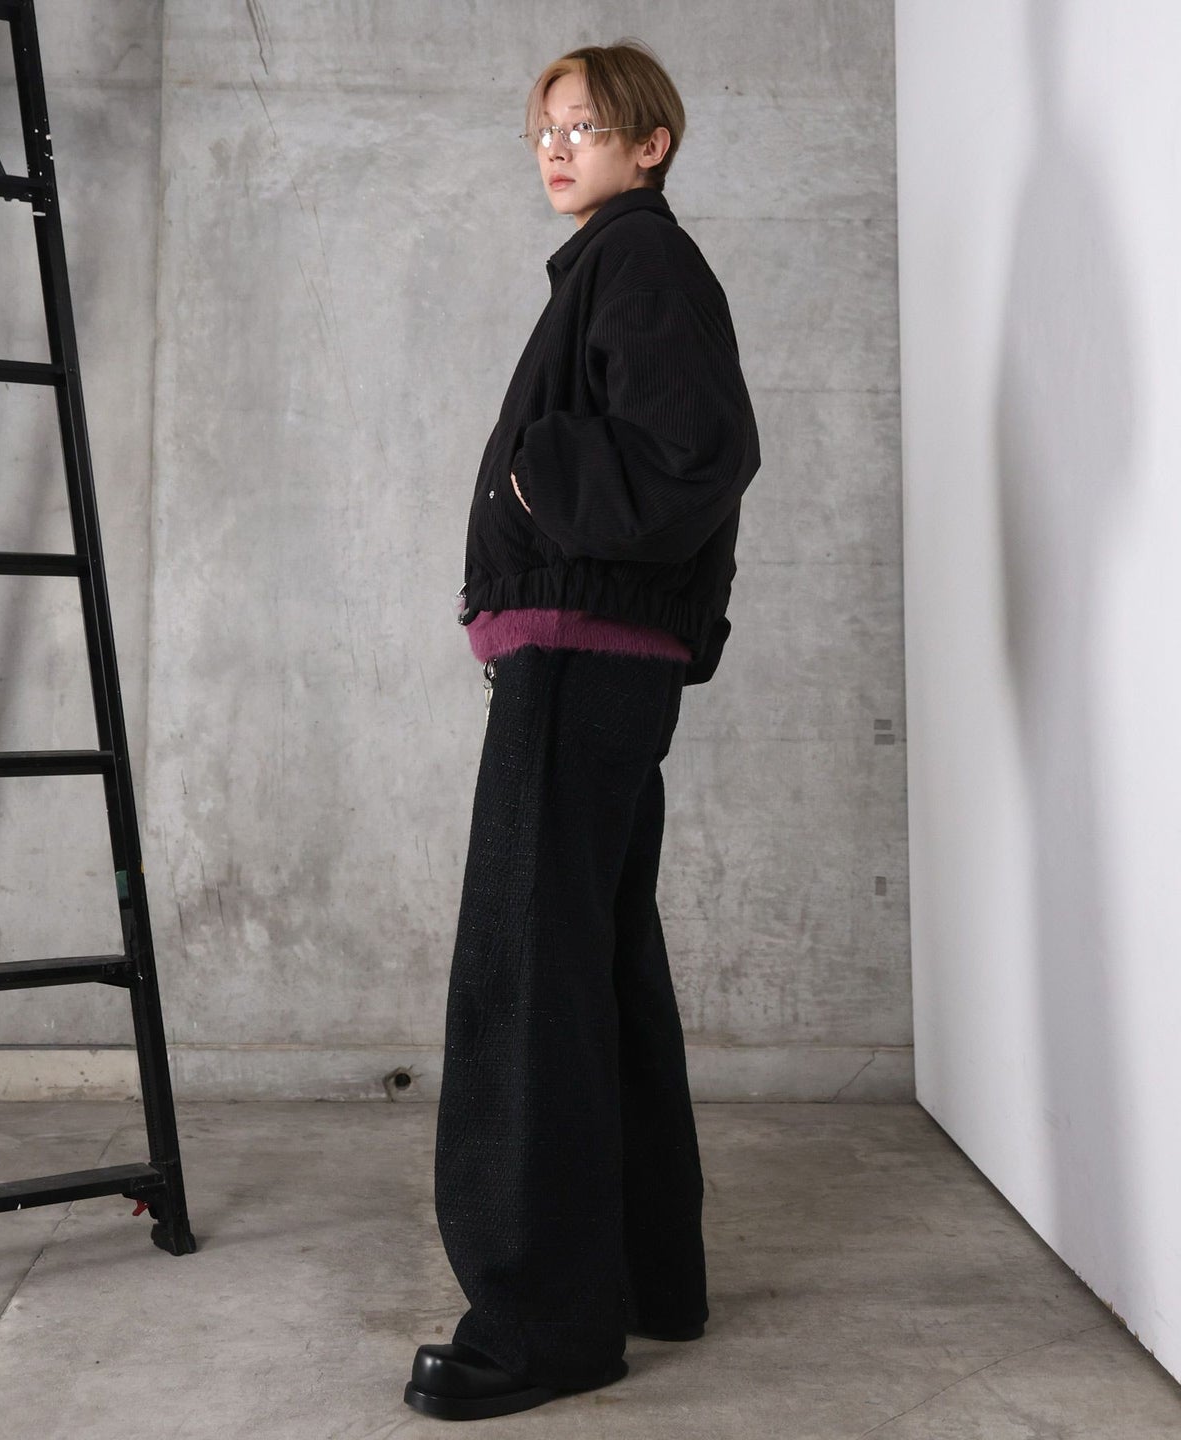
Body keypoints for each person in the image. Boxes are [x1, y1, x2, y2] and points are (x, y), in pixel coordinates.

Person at [404, 38, 760, 1422]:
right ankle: (646, 1277)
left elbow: (700, 450)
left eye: (585, 127)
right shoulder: (619, 262)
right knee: (596, 970)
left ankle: (542, 1327)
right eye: (543, 129)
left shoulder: (640, 259)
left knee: (526, 984)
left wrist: (533, 475)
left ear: (650, 142)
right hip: (594, 662)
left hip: (579, 656)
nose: (556, 147)